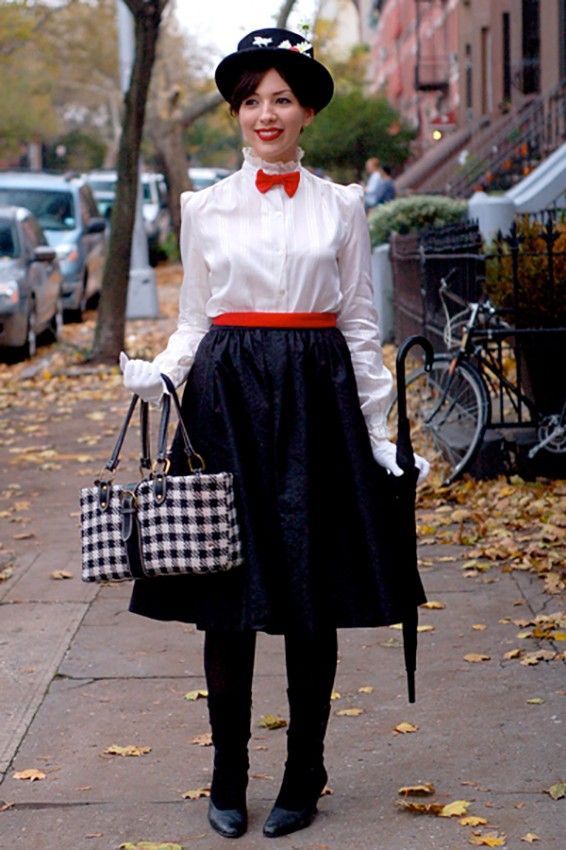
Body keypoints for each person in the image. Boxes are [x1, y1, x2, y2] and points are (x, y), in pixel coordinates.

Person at [121, 27, 429, 841]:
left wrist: (375, 430)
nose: (267, 113)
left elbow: (361, 323)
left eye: (282, 99)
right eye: (252, 99)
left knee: (309, 593)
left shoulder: (342, 205)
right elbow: (195, 320)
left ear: (307, 113)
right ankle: (227, 772)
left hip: (318, 399)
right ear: (235, 112)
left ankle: (306, 770)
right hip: (228, 398)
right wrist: (161, 371)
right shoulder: (203, 206)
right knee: (228, 595)